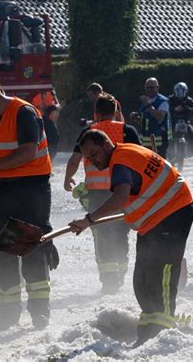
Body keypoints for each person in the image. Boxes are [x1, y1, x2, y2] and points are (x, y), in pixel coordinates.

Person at [69, 130, 193, 345]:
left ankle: (162, 333)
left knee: (160, 274)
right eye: (87, 158)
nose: (92, 161)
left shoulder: (121, 162)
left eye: (94, 154)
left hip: (174, 213)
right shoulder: (123, 155)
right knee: (143, 277)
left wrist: (89, 220)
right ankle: (147, 330)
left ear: (107, 144)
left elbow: (120, 197)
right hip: (154, 220)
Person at [0, 72, 56, 331]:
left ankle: (40, 313)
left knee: (31, 250)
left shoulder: (24, 112)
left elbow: (28, 152)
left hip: (31, 190)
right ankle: (8, 313)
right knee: (2, 253)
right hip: (3, 192)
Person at [64, 94, 141, 294]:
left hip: (96, 194)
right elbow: (139, 158)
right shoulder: (127, 130)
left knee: (101, 235)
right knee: (121, 233)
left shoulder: (88, 132)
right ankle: (121, 271)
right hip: (123, 191)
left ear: (95, 113)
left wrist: (67, 178)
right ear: (116, 112)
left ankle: (109, 281)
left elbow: (74, 160)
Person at [130, 77, 171, 158]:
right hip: (145, 143)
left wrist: (148, 105)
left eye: (151, 87)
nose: (149, 90)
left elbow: (159, 118)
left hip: (159, 144)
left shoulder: (162, 101)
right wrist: (136, 118)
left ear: (158, 87)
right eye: (147, 87)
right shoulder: (147, 101)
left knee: (159, 167)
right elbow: (146, 122)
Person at [168, 82, 193, 165]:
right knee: (168, 140)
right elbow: (165, 107)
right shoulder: (170, 99)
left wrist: (187, 109)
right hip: (173, 123)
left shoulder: (188, 100)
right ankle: (169, 160)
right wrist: (173, 109)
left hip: (185, 123)